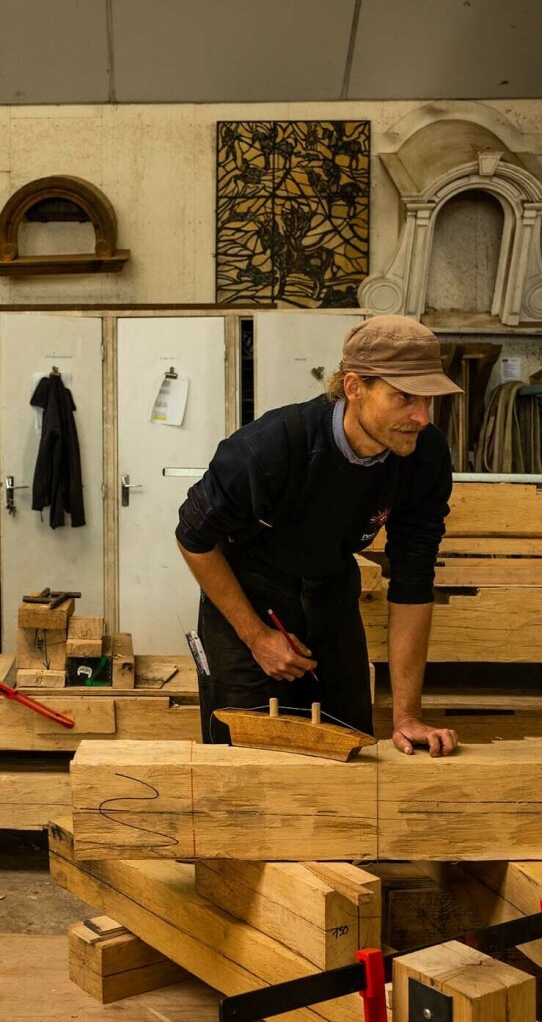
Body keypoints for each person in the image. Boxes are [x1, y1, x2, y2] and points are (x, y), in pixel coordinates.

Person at [176, 315, 461, 757]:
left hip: (329, 588)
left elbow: (413, 579)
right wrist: (256, 637)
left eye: (428, 399)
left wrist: (407, 716)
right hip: (249, 594)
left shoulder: (425, 456)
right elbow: (192, 536)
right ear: (353, 388)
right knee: (246, 757)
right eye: (404, 397)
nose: (421, 417)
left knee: (349, 745)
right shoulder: (270, 447)